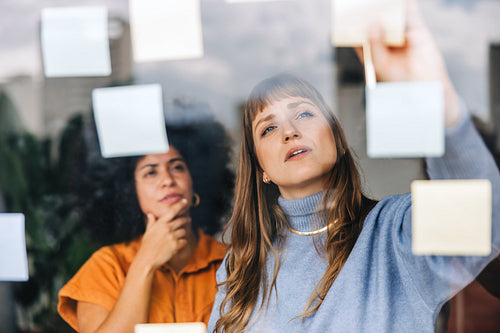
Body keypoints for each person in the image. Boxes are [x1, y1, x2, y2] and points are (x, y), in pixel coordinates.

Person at [206, 1, 500, 332]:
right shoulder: (240, 265)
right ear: (262, 169)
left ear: (338, 139)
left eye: (303, 113)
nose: (289, 131)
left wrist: (438, 97)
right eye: (268, 128)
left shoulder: (394, 233)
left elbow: (483, 215)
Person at [58, 108, 234, 333]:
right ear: (129, 192)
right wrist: (145, 262)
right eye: (151, 172)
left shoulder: (233, 263)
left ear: (196, 182)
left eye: (177, 167)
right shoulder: (106, 267)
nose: (168, 180)